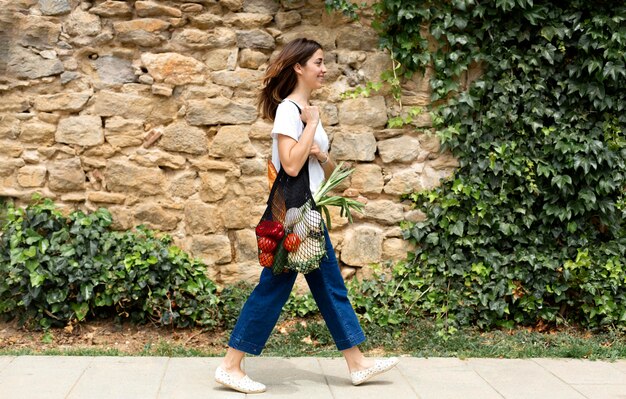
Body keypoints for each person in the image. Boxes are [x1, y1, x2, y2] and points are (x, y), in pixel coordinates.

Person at [214, 38, 399, 394]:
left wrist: (319, 149)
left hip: (307, 211)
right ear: (299, 67)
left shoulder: (307, 110)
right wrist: (311, 125)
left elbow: (325, 170)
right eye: (318, 62)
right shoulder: (290, 110)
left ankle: (357, 363)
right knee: (275, 286)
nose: (324, 68)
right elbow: (290, 163)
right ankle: (230, 366)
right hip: (292, 212)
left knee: (329, 286)